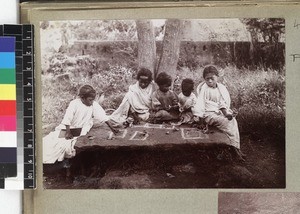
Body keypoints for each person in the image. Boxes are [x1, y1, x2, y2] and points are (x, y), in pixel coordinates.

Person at [43, 85, 118, 164]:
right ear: (82, 98)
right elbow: (67, 118)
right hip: (70, 127)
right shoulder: (74, 104)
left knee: (68, 142)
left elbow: (103, 117)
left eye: (93, 100)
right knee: (54, 141)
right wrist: (68, 132)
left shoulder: (93, 104)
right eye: (90, 100)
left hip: (83, 128)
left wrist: (112, 128)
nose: (92, 102)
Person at [193, 65, 245, 160]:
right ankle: (234, 150)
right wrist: (200, 121)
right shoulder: (204, 89)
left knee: (233, 121)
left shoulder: (221, 88)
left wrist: (227, 114)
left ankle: (236, 147)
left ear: (217, 77)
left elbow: (222, 104)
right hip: (208, 114)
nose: (209, 81)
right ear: (204, 79)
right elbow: (200, 105)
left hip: (219, 113)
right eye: (207, 79)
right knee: (228, 123)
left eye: (212, 78)